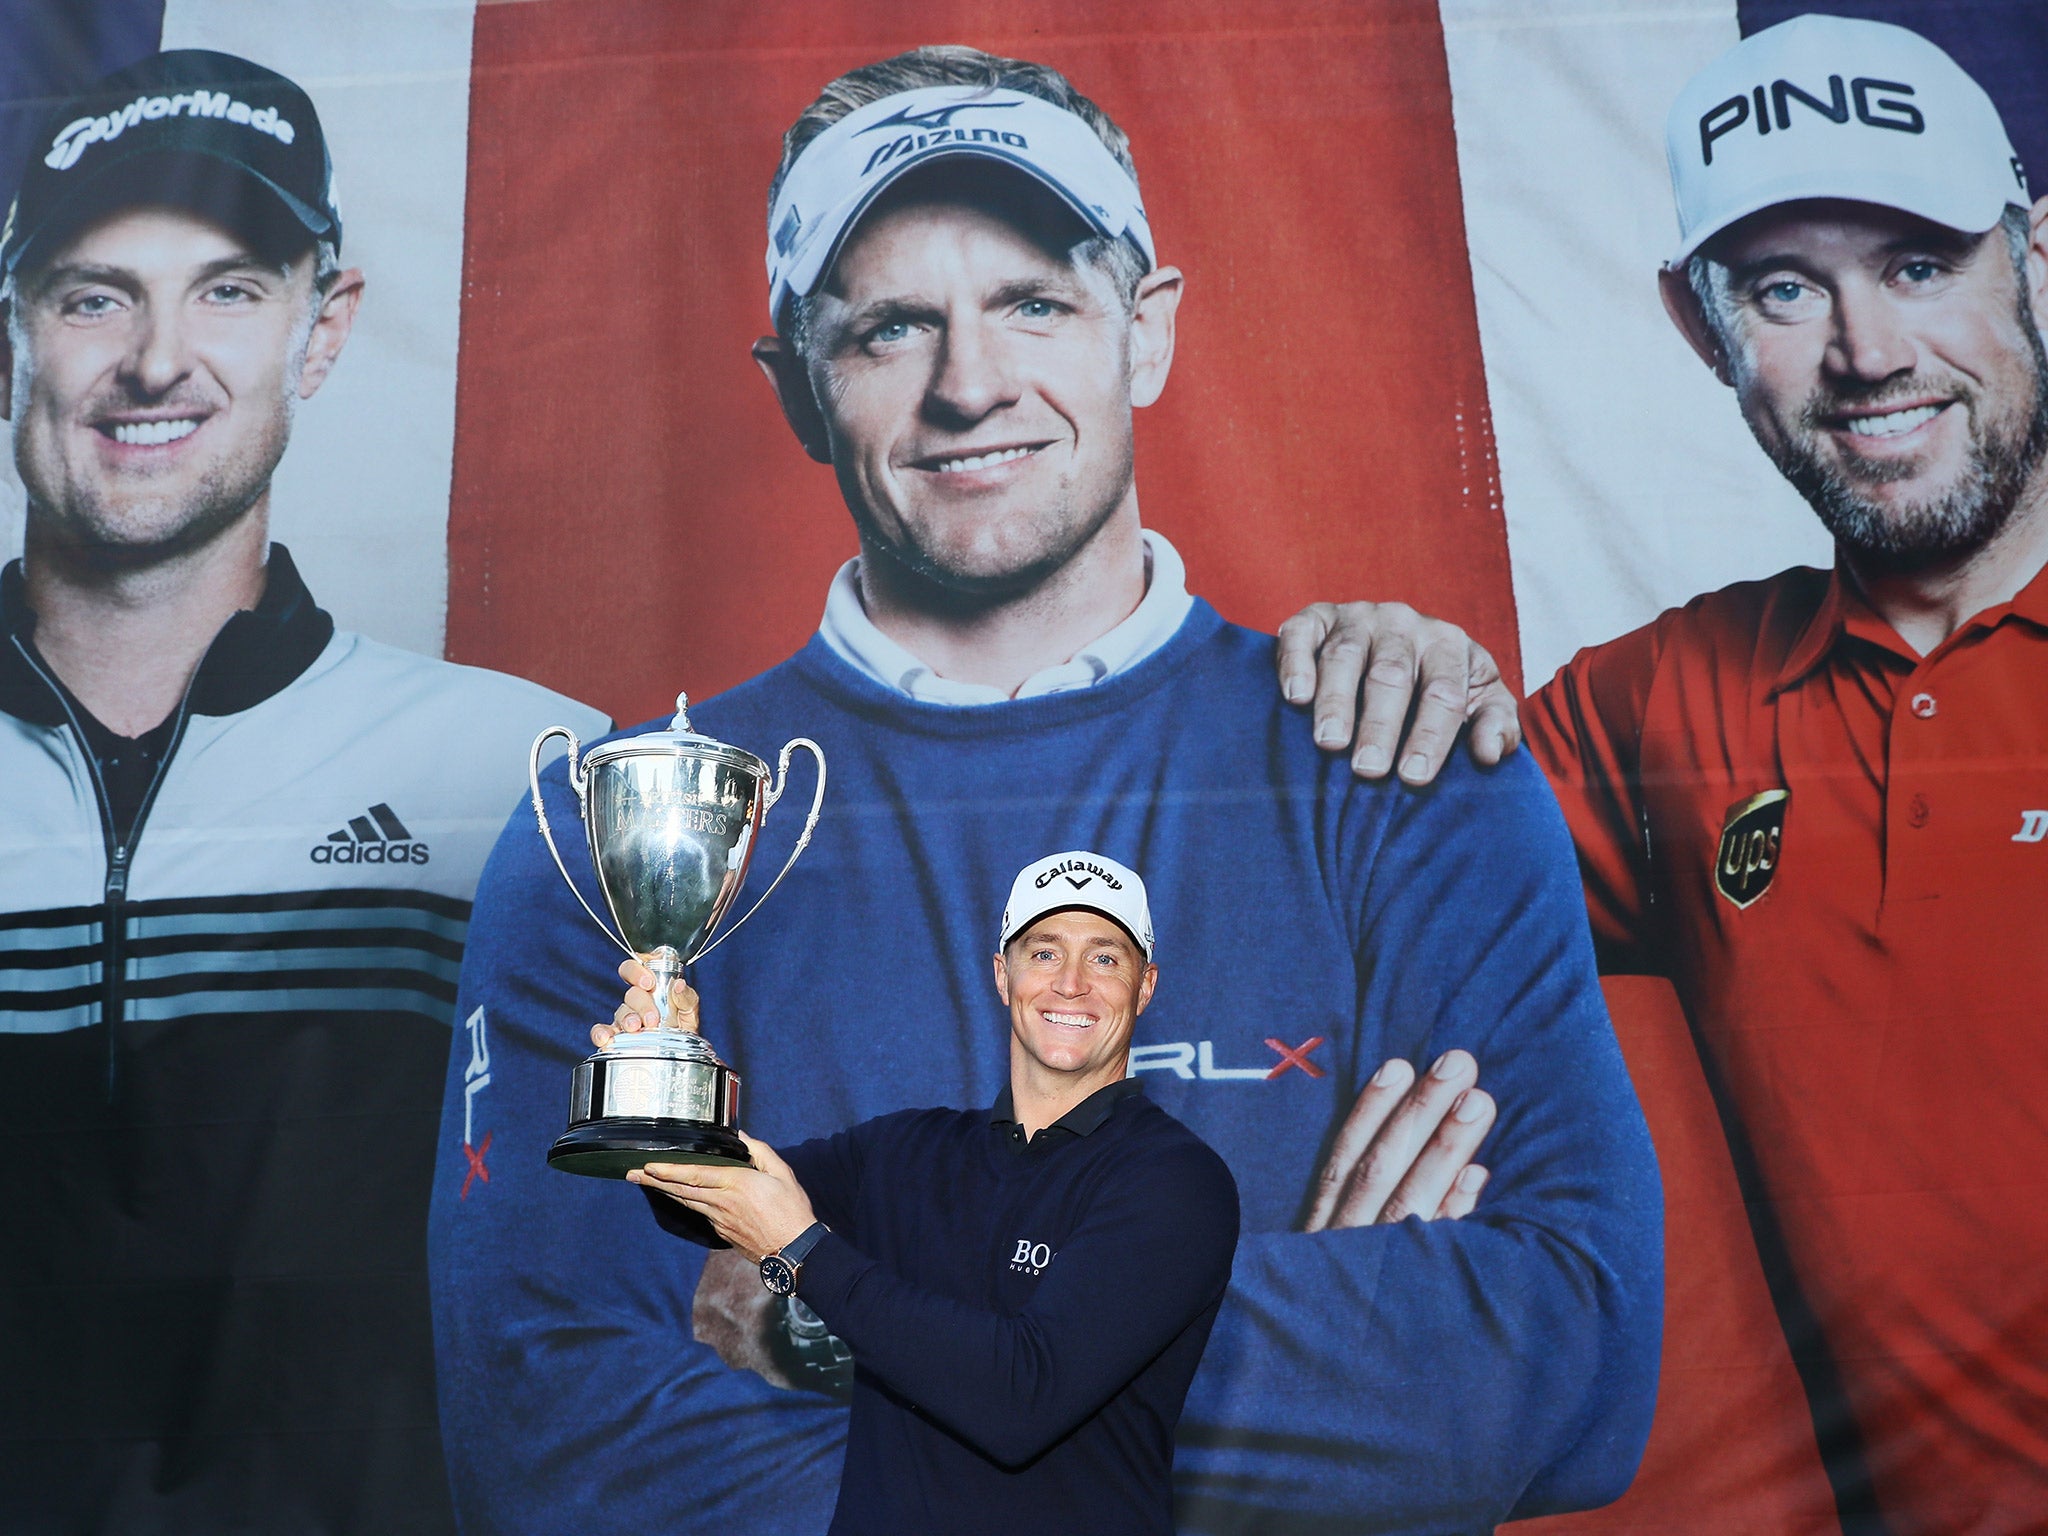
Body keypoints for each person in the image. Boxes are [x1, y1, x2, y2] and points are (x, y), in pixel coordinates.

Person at [431, 44, 1660, 1536]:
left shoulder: (1398, 769)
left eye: (1033, 303)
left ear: (1146, 332)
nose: (970, 386)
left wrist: (844, 1321)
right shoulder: (615, 846)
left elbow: (1575, 1363)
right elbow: (552, 1449)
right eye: (890, 327)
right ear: (797, 389)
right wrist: (1320, 1360)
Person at [1283, 15, 2048, 1534]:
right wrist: (1370, 666)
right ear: (1702, 333)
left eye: (1917, 264)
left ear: (2033, 259)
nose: (1868, 352)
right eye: (1783, 287)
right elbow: (1300, 898)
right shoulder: (1663, 708)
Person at [0, 50, 606, 1534]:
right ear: (10, 335)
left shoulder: (528, 777)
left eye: (227, 289)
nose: (156, 359)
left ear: (320, 329)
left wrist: (1266, 698)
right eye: (92, 295)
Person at [617, 851, 1238, 1534]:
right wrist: (668, 1071)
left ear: (1145, 987)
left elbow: (1021, 1398)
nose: (1070, 985)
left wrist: (803, 1251)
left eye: (1105, 960)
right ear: (1004, 977)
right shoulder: (908, 1151)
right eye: (1043, 953)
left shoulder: (1176, 1181)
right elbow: (700, 1201)